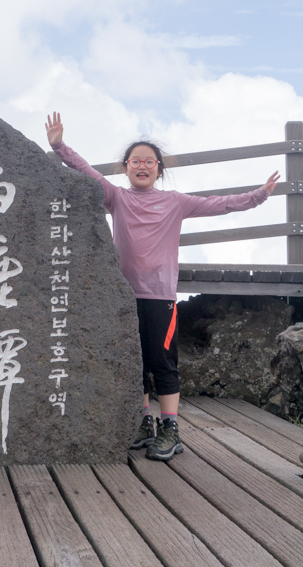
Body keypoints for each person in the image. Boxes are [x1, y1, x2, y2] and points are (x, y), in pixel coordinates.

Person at [45, 112, 279, 461]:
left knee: (162, 362)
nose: (142, 166)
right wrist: (59, 146)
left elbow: (220, 204)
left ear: (159, 169)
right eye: (135, 161)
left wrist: (259, 196)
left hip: (160, 297)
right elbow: (86, 172)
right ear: (126, 168)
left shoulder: (175, 202)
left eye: (149, 161)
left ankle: (171, 429)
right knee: (134, 362)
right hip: (123, 296)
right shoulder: (116, 197)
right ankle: (143, 423)